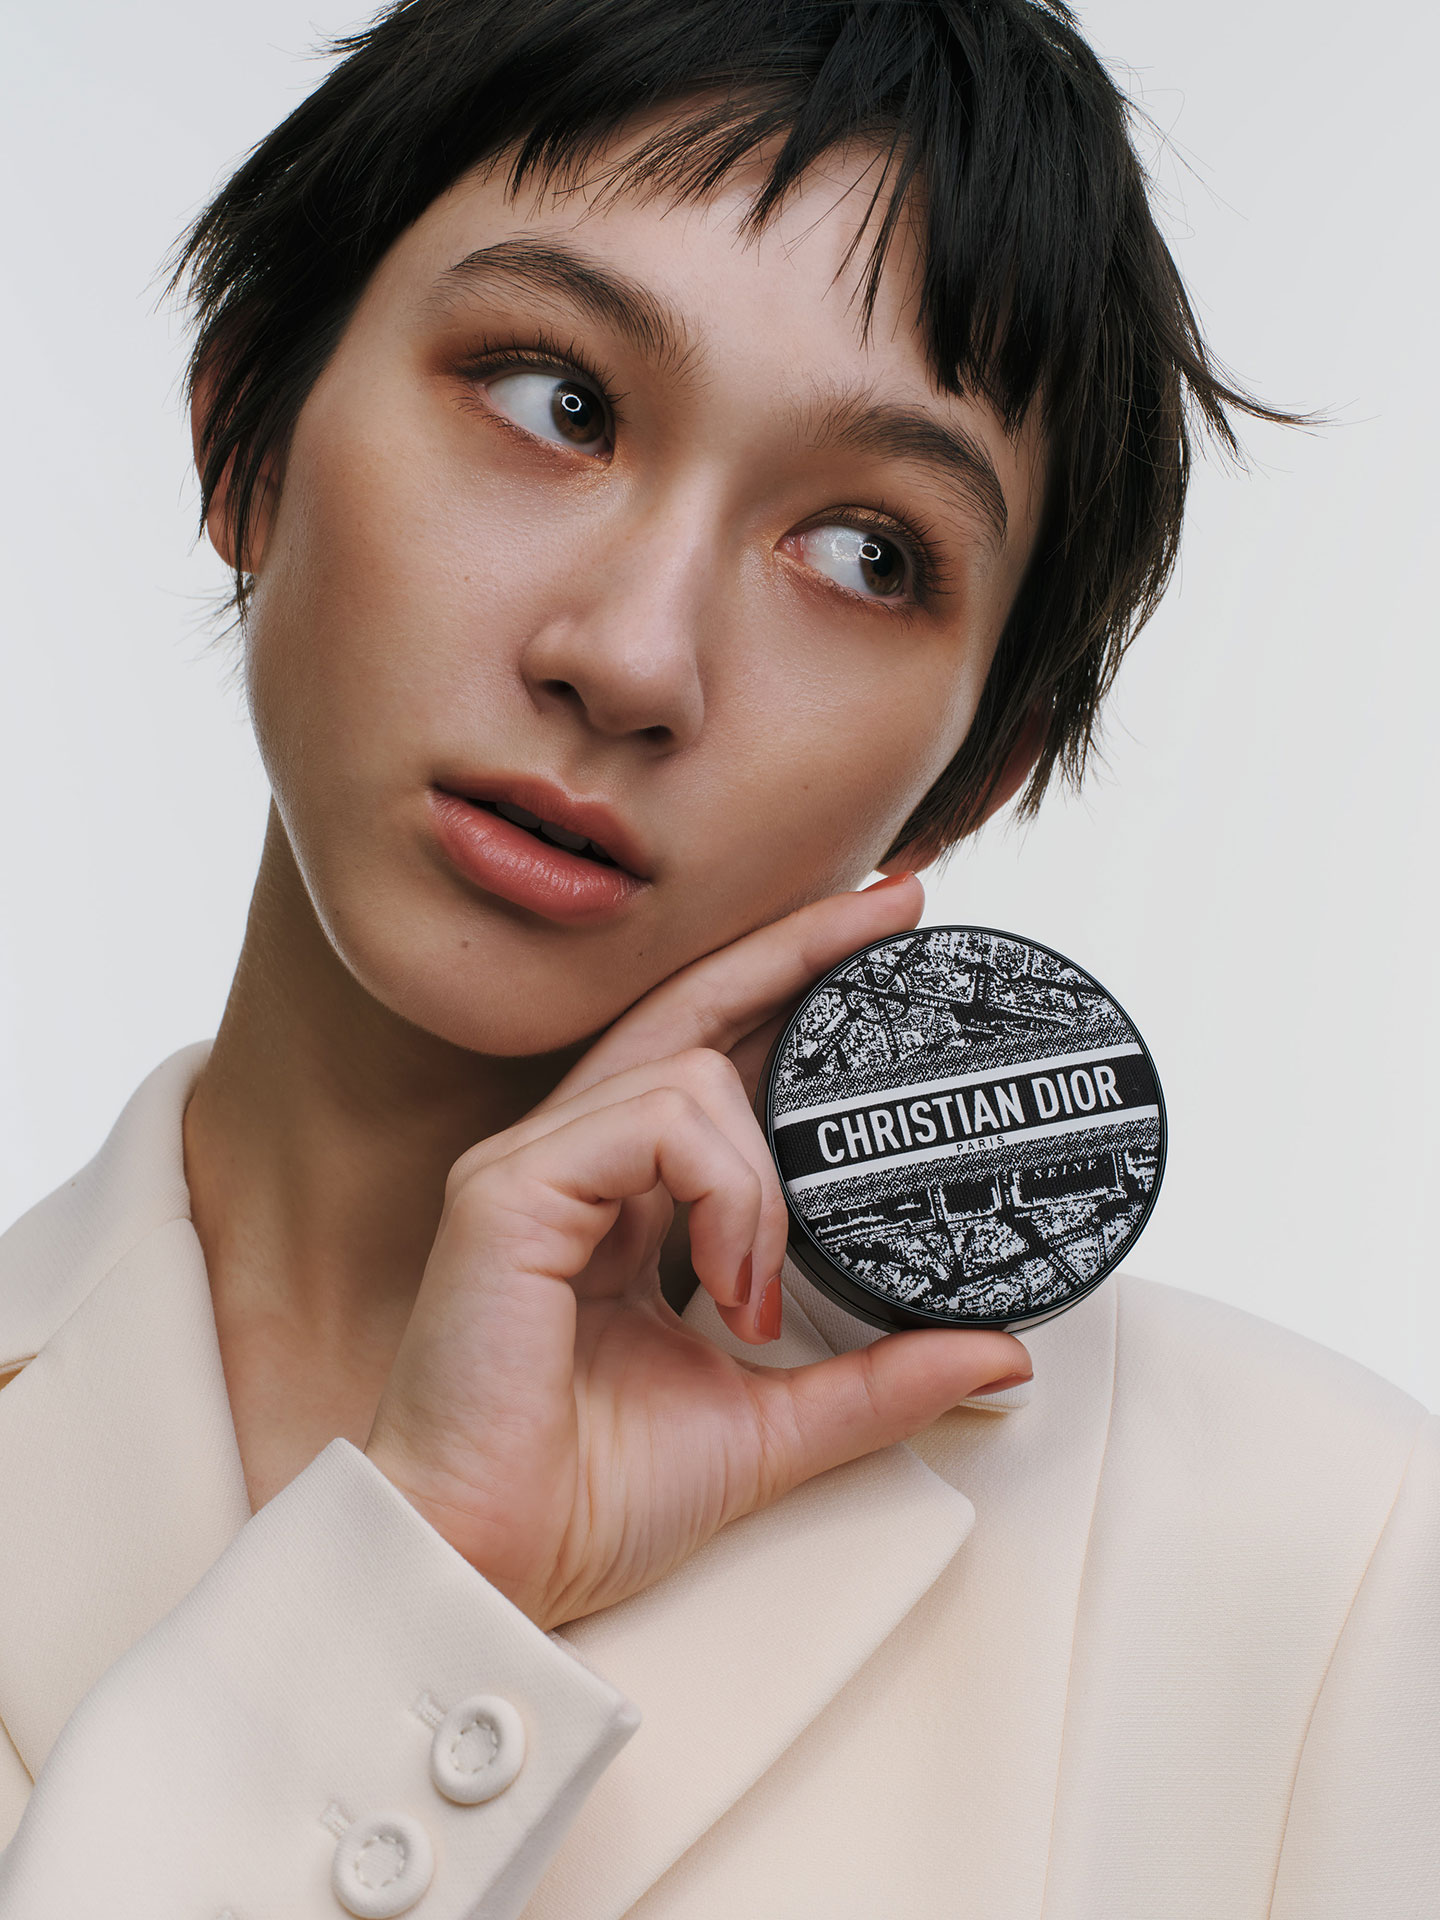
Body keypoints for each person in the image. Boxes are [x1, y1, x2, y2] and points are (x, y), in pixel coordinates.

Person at [0, 0, 1434, 1913]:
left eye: (865, 553)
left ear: (975, 772)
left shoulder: (1323, 1564)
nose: (632, 658)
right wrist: (418, 1568)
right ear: (248, 420)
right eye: (557, 402)